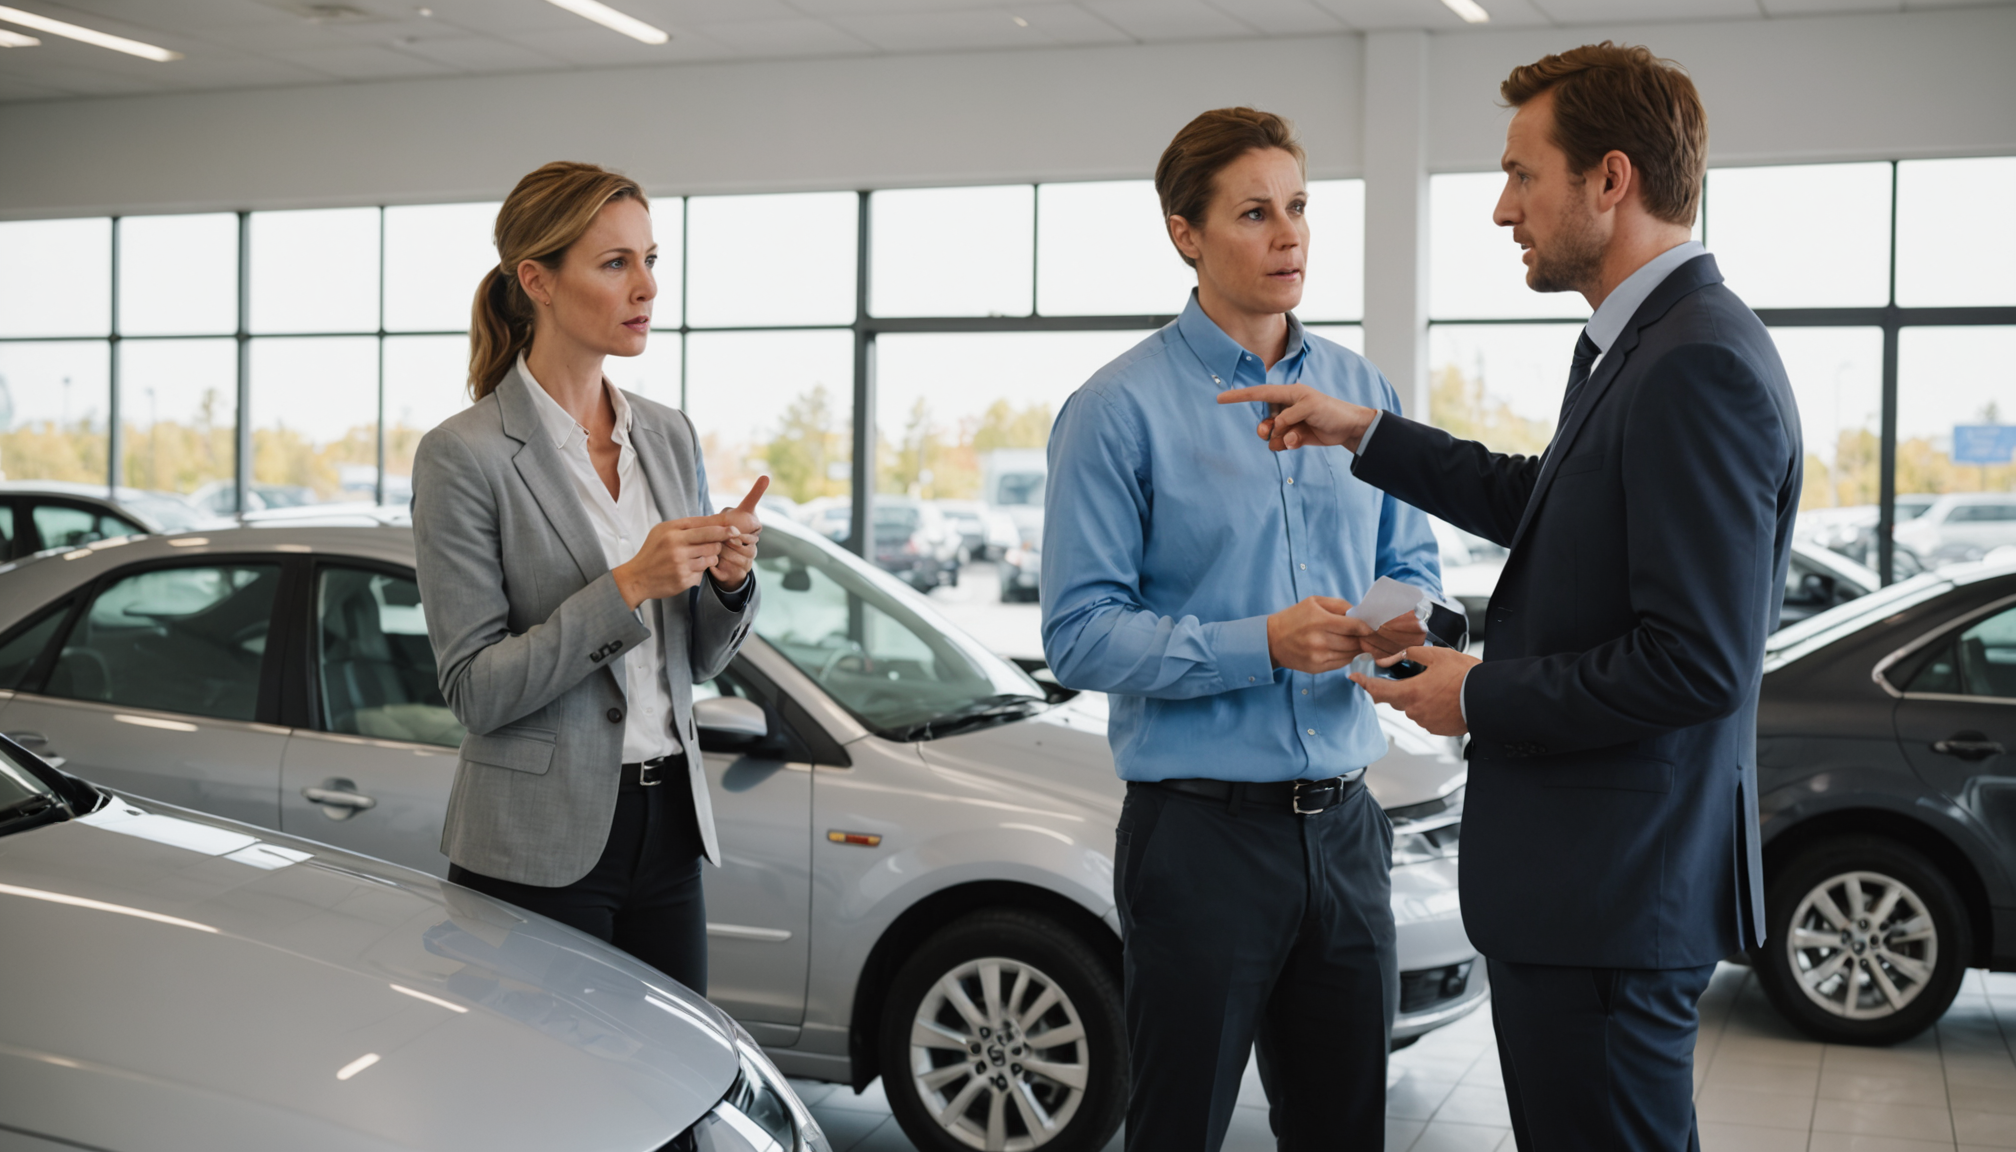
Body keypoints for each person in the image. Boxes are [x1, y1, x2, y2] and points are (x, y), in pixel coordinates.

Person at [1221, 44, 1801, 1151]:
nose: (1501, 209)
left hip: (1615, 903)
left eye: (1521, 175)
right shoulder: (1645, 348)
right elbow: (1550, 503)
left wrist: (1478, 694)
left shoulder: (1696, 363)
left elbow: (1697, 661)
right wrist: (1368, 432)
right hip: (1599, 899)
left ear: (1611, 180)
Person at [1042, 107, 1442, 1152]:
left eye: (1299, 207)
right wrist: (1258, 643)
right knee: (1177, 1129)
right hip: (1200, 839)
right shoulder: (1115, 410)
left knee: (1344, 1129)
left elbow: (1413, 566)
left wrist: (1389, 631)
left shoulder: (1359, 394)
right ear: (1188, 233)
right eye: (1255, 212)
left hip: (1349, 830)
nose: (1290, 235)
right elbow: (1079, 635)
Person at [411, 161, 764, 995]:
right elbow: (475, 690)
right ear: (536, 280)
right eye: (615, 264)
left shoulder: (670, 438)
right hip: (535, 845)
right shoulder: (463, 455)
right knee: (545, 1111)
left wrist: (727, 584)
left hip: (669, 826)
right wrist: (627, 587)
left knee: (675, 1090)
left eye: (650, 259)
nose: (645, 286)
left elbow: (699, 663)